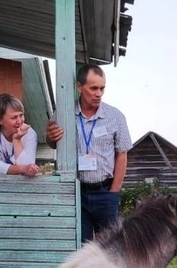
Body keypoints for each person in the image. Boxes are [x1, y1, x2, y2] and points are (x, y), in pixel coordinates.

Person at [45, 63, 132, 242]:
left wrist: (114, 192)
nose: (98, 93)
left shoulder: (115, 117)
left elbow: (122, 154)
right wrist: (50, 137)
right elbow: (53, 145)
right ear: (79, 87)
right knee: (80, 246)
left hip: (105, 191)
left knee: (109, 248)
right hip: (77, 192)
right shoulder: (63, 114)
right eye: (93, 88)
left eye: (102, 88)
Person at [0, 93, 40, 177]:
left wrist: (17, 140)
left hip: (18, 184)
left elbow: (28, 167)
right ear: (0, 120)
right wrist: (22, 168)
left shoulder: (30, 133)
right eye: (14, 117)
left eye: (21, 115)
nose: (19, 121)